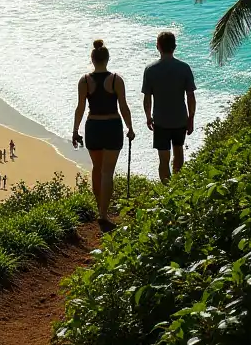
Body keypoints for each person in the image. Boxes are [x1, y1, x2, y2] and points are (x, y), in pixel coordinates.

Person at [72, 39, 135, 225]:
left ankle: (100, 206)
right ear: (107, 59)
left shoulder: (84, 80)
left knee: (97, 169)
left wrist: (75, 130)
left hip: (93, 126)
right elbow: (123, 107)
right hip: (112, 126)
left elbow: (80, 108)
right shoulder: (116, 79)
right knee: (108, 172)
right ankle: (103, 213)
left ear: (92, 60)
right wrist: (130, 127)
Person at [142, 30, 196, 183]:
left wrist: (148, 117)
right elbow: (191, 96)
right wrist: (191, 118)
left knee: (163, 158)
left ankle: (166, 189)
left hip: (160, 120)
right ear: (175, 47)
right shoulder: (184, 68)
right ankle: (178, 186)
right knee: (178, 152)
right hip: (180, 119)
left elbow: (147, 98)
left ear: (158, 46)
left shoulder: (150, 70)